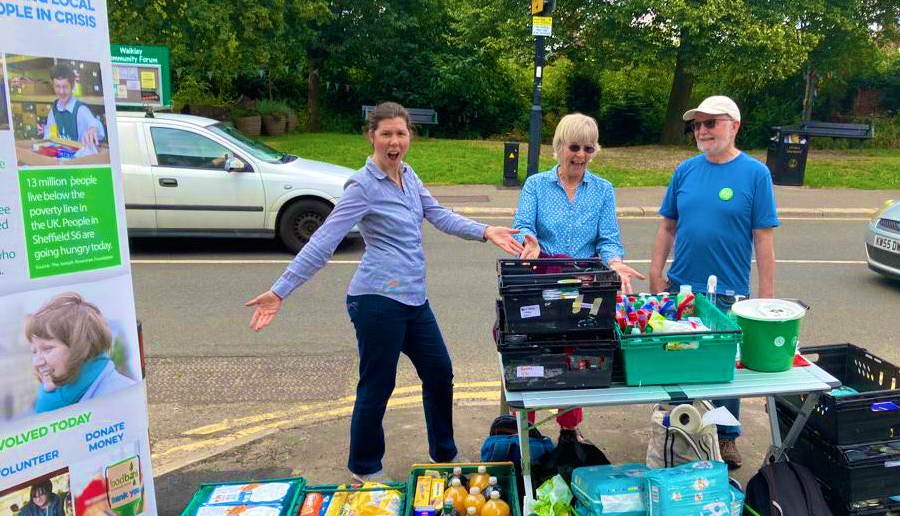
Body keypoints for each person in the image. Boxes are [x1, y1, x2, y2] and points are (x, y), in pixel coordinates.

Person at [246, 102, 524, 482]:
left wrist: (485, 230)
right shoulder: (362, 186)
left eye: (401, 133)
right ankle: (364, 467)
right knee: (378, 384)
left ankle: (444, 456)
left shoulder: (408, 176)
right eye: (386, 134)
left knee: (440, 373)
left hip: (412, 300)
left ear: (409, 136)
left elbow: (439, 214)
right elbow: (322, 241)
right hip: (376, 301)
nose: (394, 141)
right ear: (372, 136)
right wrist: (280, 291)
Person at [649, 95, 779, 468]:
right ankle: (678, 431)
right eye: (698, 125)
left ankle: (726, 437)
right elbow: (667, 226)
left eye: (712, 123)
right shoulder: (686, 171)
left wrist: (765, 301)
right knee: (679, 361)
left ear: (734, 126)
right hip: (680, 289)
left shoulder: (755, 174)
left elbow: (764, 239)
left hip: (728, 294)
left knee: (724, 373)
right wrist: (657, 272)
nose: (702, 131)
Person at [512, 112, 644, 440]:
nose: (581, 155)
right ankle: (526, 427)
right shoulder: (536, 186)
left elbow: (608, 239)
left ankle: (569, 430)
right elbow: (524, 224)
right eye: (575, 147)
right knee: (535, 353)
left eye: (589, 149)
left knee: (574, 357)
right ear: (559, 147)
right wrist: (528, 240)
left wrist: (614, 262)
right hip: (542, 283)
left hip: (584, 288)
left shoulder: (602, 190)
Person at [26, 292, 137, 414]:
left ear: (81, 347)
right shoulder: (48, 400)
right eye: (34, 351)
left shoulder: (124, 397)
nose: (37, 362)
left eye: (48, 349)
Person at [40, 63, 105, 148]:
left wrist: (92, 130)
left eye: (65, 87)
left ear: (72, 85)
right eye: (57, 87)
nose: (61, 92)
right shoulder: (54, 111)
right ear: (53, 86)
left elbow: (96, 127)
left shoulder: (80, 110)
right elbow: (50, 135)